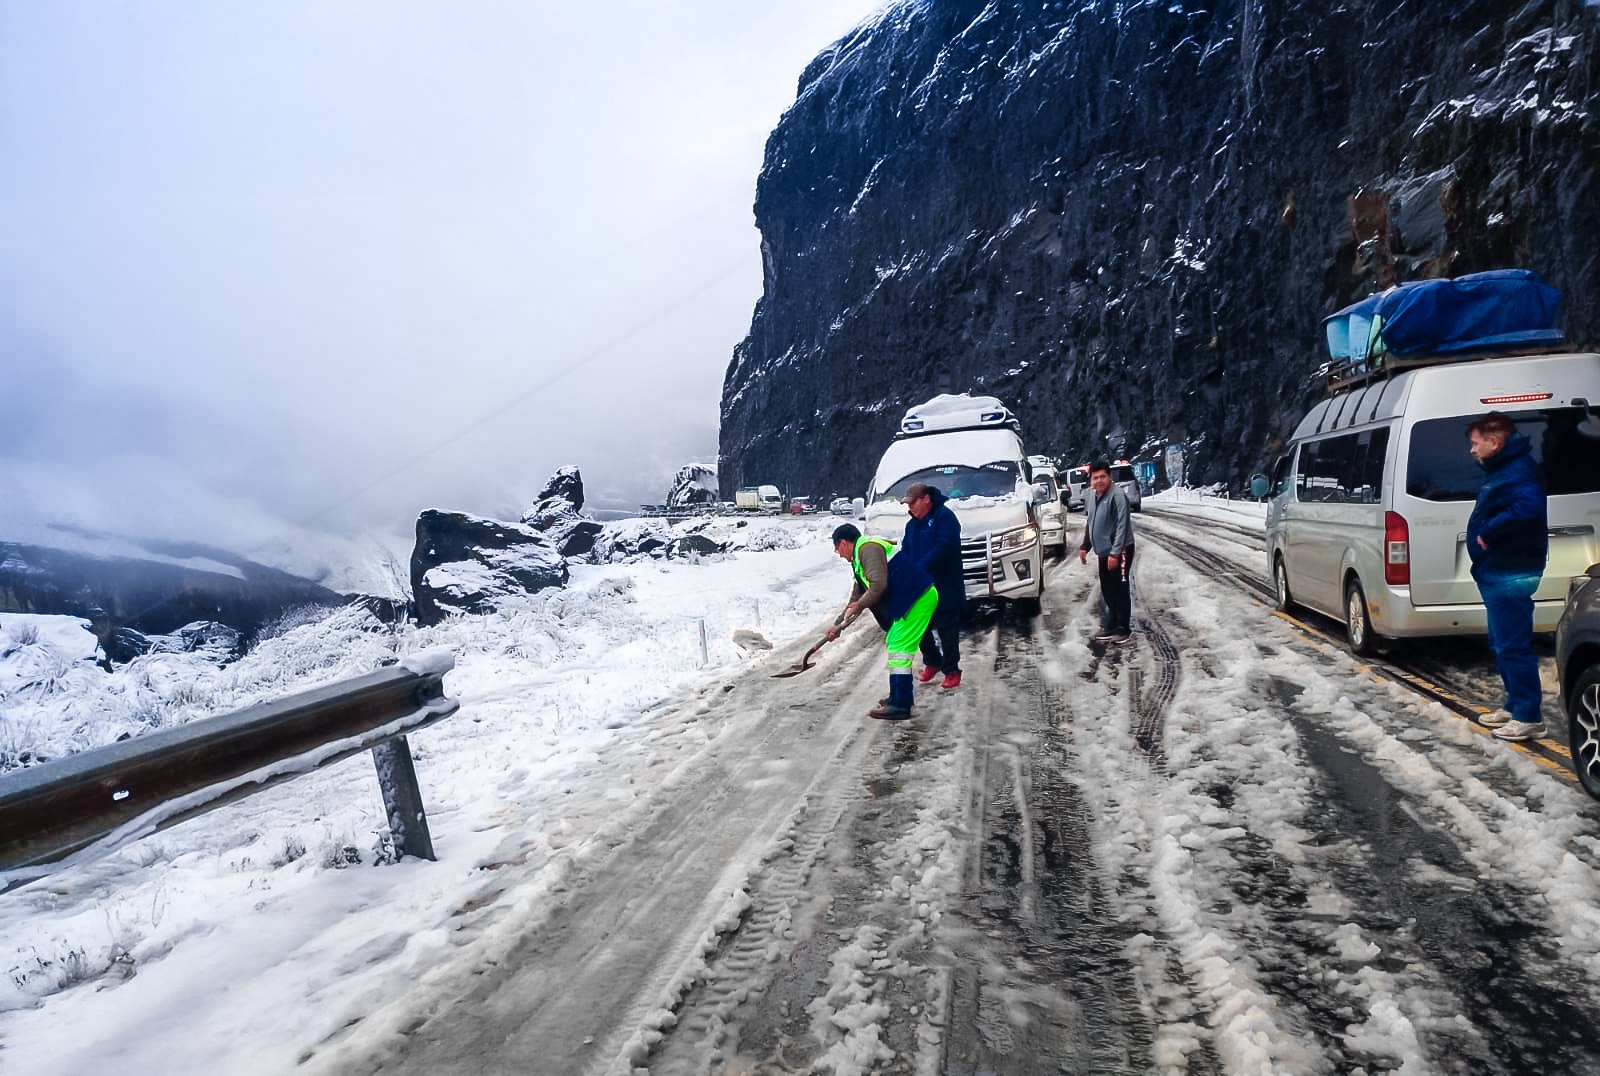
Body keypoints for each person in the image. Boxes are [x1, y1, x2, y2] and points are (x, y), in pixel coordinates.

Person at [1465, 412, 1549, 741]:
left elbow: (1529, 508)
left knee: (1513, 644)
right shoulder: (1505, 468)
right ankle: (1515, 705)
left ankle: (1529, 716)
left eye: (1475, 443)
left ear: (1494, 442)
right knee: (1502, 641)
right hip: (1499, 568)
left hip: (1510, 570)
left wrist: (1490, 532)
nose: (1471, 450)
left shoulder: (1516, 470)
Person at [827, 523, 939, 720]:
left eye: (837, 548)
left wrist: (860, 604)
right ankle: (899, 697)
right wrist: (838, 626)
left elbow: (878, 585)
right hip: (911, 598)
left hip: (917, 598)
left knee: (899, 646)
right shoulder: (859, 559)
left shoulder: (868, 549)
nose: (838, 553)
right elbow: (856, 599)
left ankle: (901, 705)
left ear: (844, 543)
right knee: (897, 644)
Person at [900, 482, 964, 688]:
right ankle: (932, 661)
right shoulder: (911, 526)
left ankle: (952, 670)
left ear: (926, 499)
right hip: (921, 588)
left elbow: (943, 547)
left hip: (945, 585)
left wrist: (920, 567)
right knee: (919, 627)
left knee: (947, 630)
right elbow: (906, 551)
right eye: (907, 505)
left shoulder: (945, 518)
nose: (910, 508)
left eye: (912, 503)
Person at [1078, 459, 1135, 642]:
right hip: (1103, 550)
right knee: (1108, 588)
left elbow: (1122, 525)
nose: (1099, 481)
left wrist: (1115, 553)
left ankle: (1123, 628)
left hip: (1121, 549)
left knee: (1120, 587)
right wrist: (1085, 545)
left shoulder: (1117, 496)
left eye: (1103, 476)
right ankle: (1111, 624)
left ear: (1109, 477)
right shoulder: (1092, 495)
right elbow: (1090, 521)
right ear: (1090, 480)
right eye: (1095, 478)